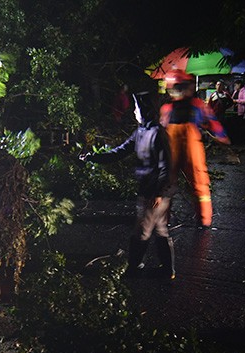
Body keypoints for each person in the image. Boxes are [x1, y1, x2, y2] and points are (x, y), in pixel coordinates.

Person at [80, 93, 177, 279]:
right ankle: (167, 270)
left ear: (144, 109)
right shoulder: (140, 132)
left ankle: (134, 268)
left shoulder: (158, 134)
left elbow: (167, 166)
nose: (134, 111)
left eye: (136, 108)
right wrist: (92, 158)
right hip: (152, 190)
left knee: (142, 230)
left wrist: (158, 193)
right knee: (159, 229)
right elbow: (119, 152)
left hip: (154, 192)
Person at [159, 69, 231, 228]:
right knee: (197, 183)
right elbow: (212, 121)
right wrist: (222, 137)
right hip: (189, 149)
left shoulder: (167, 108)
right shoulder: (195, 105)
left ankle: (162, 218)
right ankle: (203, 220)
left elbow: (160, 130)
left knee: (168, 183)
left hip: (174, 149)